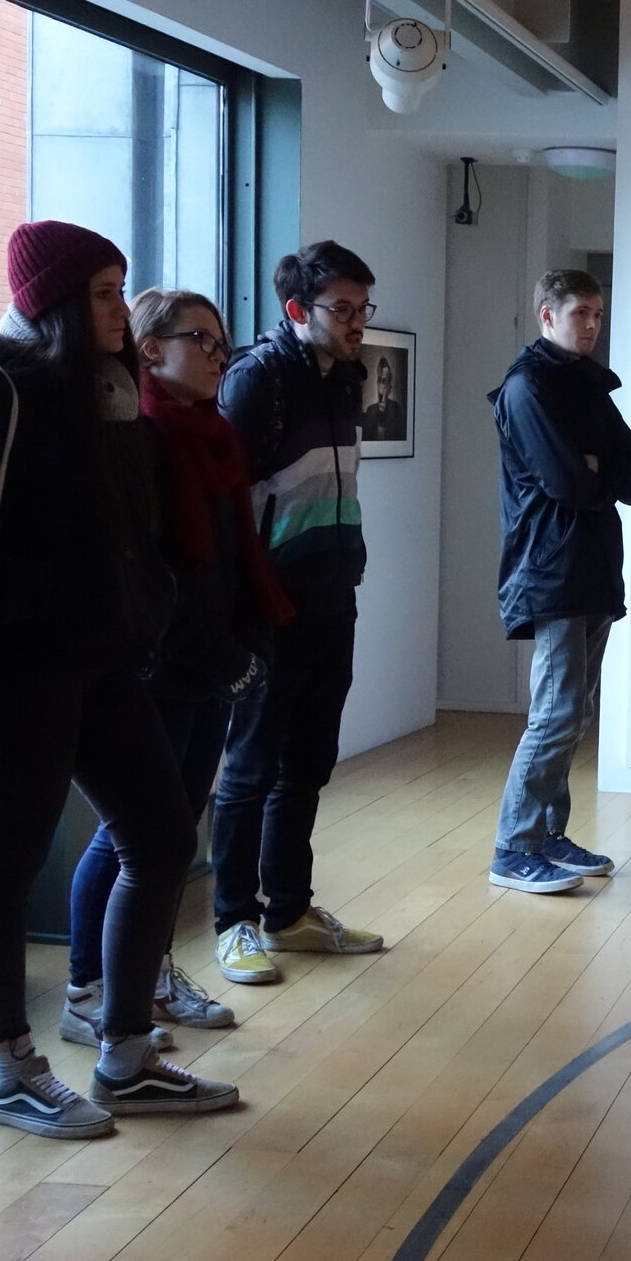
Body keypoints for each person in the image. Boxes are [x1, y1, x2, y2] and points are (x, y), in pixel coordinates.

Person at [0, 221, 237, 1134]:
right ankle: (10, 1067)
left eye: (118, 289)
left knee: (164, 836)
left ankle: (125, 1054)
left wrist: (143, 602)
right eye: (99, 292)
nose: (116, 310)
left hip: (102, 662)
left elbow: (130, 535)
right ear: (52, 299)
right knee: (7, 868)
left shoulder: (112, 400)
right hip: (20, 669)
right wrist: (46, 595)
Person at [60, 290, 291, 1045]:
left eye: (224, 342)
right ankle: (88, 987)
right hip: (163, 666)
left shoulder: (213, 434)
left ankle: (144, 973)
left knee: (169, 832)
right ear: (151, 349)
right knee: (132, 838)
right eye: (203, 338)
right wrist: (222, 654)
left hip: (211, 664)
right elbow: (160, 574)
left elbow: (228, 561)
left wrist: (240, 650)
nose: (221, 354)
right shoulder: (147, 433)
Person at [209, 242, 388, 982]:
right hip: (269, 606)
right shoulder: (258, 381)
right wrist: (249, 598)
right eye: (342, 309)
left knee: (308, 763)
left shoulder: (343, 377)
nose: (358, 324)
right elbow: (228, 503)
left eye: (362, 308)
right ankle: (232, 922)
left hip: (331, 597)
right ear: (295, 311)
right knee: (250, 767)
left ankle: (288, 910)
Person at [487, 268, 631, 893]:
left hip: (591, 568)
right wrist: (592, 470)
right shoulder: (528, 388)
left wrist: (595, 468)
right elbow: (566, 482)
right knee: (555, 712)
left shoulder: (587, 389)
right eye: (580, 312)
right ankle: (514, 847)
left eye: (597, 314)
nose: (591, 324)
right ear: (547, 316)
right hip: (551, 569)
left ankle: (550, 835)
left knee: (573, 711)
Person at [359, 353, 405, 444]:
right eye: (379, 380)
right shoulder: (370, 411)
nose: (380, 387)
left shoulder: (396, 410)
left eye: (384, 381)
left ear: (389, 388)